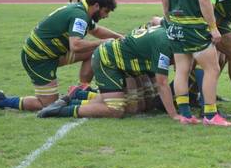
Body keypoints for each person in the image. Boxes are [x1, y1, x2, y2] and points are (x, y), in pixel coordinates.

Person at [0, 0, 122, 113]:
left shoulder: (82, 11)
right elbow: (75, 46)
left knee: (96, 50)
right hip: (37, 59)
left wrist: (120, 38)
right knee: (47, 104)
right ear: (96, 6)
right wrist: (104, 42)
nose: (106, 16)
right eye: (106, 11)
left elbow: (96, 30)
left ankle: (82, 88)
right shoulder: (80, 15)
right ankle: (2, 100)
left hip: (53, 54)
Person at [161, 0, 231, 126]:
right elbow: (205, 1)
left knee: (182, 70)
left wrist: (168, 19)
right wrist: (213, 28)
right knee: (213, 68)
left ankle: (185, 114)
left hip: (175, 25)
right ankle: (211, 115)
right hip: (194, 27)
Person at [37, 25, 181, 120]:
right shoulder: (165, 43)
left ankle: (77, 96)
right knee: (116, 109)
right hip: (108, 60)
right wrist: (174, 115)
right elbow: (163, 83)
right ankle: (60, 111)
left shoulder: (171, 32)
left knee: (146, 103)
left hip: (130, 64)